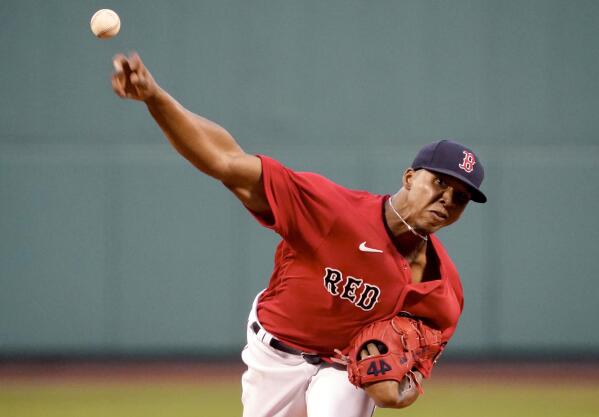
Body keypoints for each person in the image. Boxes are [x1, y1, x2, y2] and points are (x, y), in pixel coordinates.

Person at [111, 52, 487, 417]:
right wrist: (154, 98)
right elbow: (223, 160)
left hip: (342, 369)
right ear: (409, 177)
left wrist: (398, 394)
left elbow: (413, 378)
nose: (446, 199)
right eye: (438, 182)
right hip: (275, 355)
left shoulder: (444, 288)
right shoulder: (332, 212)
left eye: (460, 197)